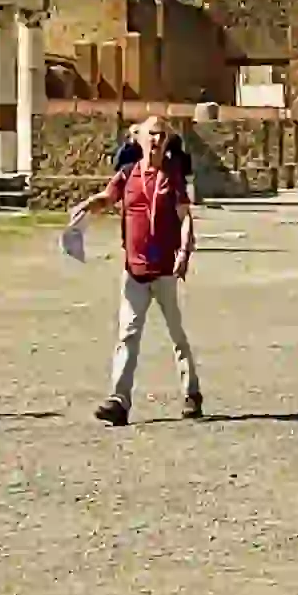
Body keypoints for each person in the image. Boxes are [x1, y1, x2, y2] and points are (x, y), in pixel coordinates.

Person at [87, 119, 204, 426]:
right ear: (136, 138)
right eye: (151, 133)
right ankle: (119, 400)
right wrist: (90, 206)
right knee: (128, 334)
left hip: (165, 270)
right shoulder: (127, 175)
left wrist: (184, 251)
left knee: (176, 334)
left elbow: (185, 216)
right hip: (134, 271)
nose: (157, 138)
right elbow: (107, 198)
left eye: (162, 135)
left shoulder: (172, 177)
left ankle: (192, 392)